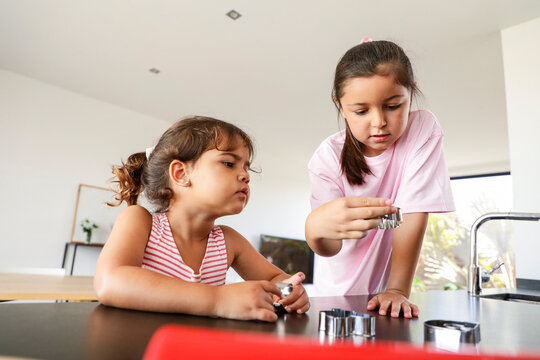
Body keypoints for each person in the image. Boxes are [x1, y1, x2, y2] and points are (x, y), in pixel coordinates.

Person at [94, 116, 310, 322]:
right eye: (229, 163)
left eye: (246, 167)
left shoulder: (228, 241)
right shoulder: (141, 221)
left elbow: (276, 279)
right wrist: (218, 300)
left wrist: (290, 290)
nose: (246, 175)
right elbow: (110, 282)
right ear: (181, 174)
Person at [305, 40, 455, 318]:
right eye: (361, 111)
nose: (378, 122)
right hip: (335, 296)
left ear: (411, 92)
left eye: (393, 105)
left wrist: (397, 290)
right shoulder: (326, 159)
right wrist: (313, 230)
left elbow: (413, 212)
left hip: (388, 298)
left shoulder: (423, 129)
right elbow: (329, 247)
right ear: (340, 105)